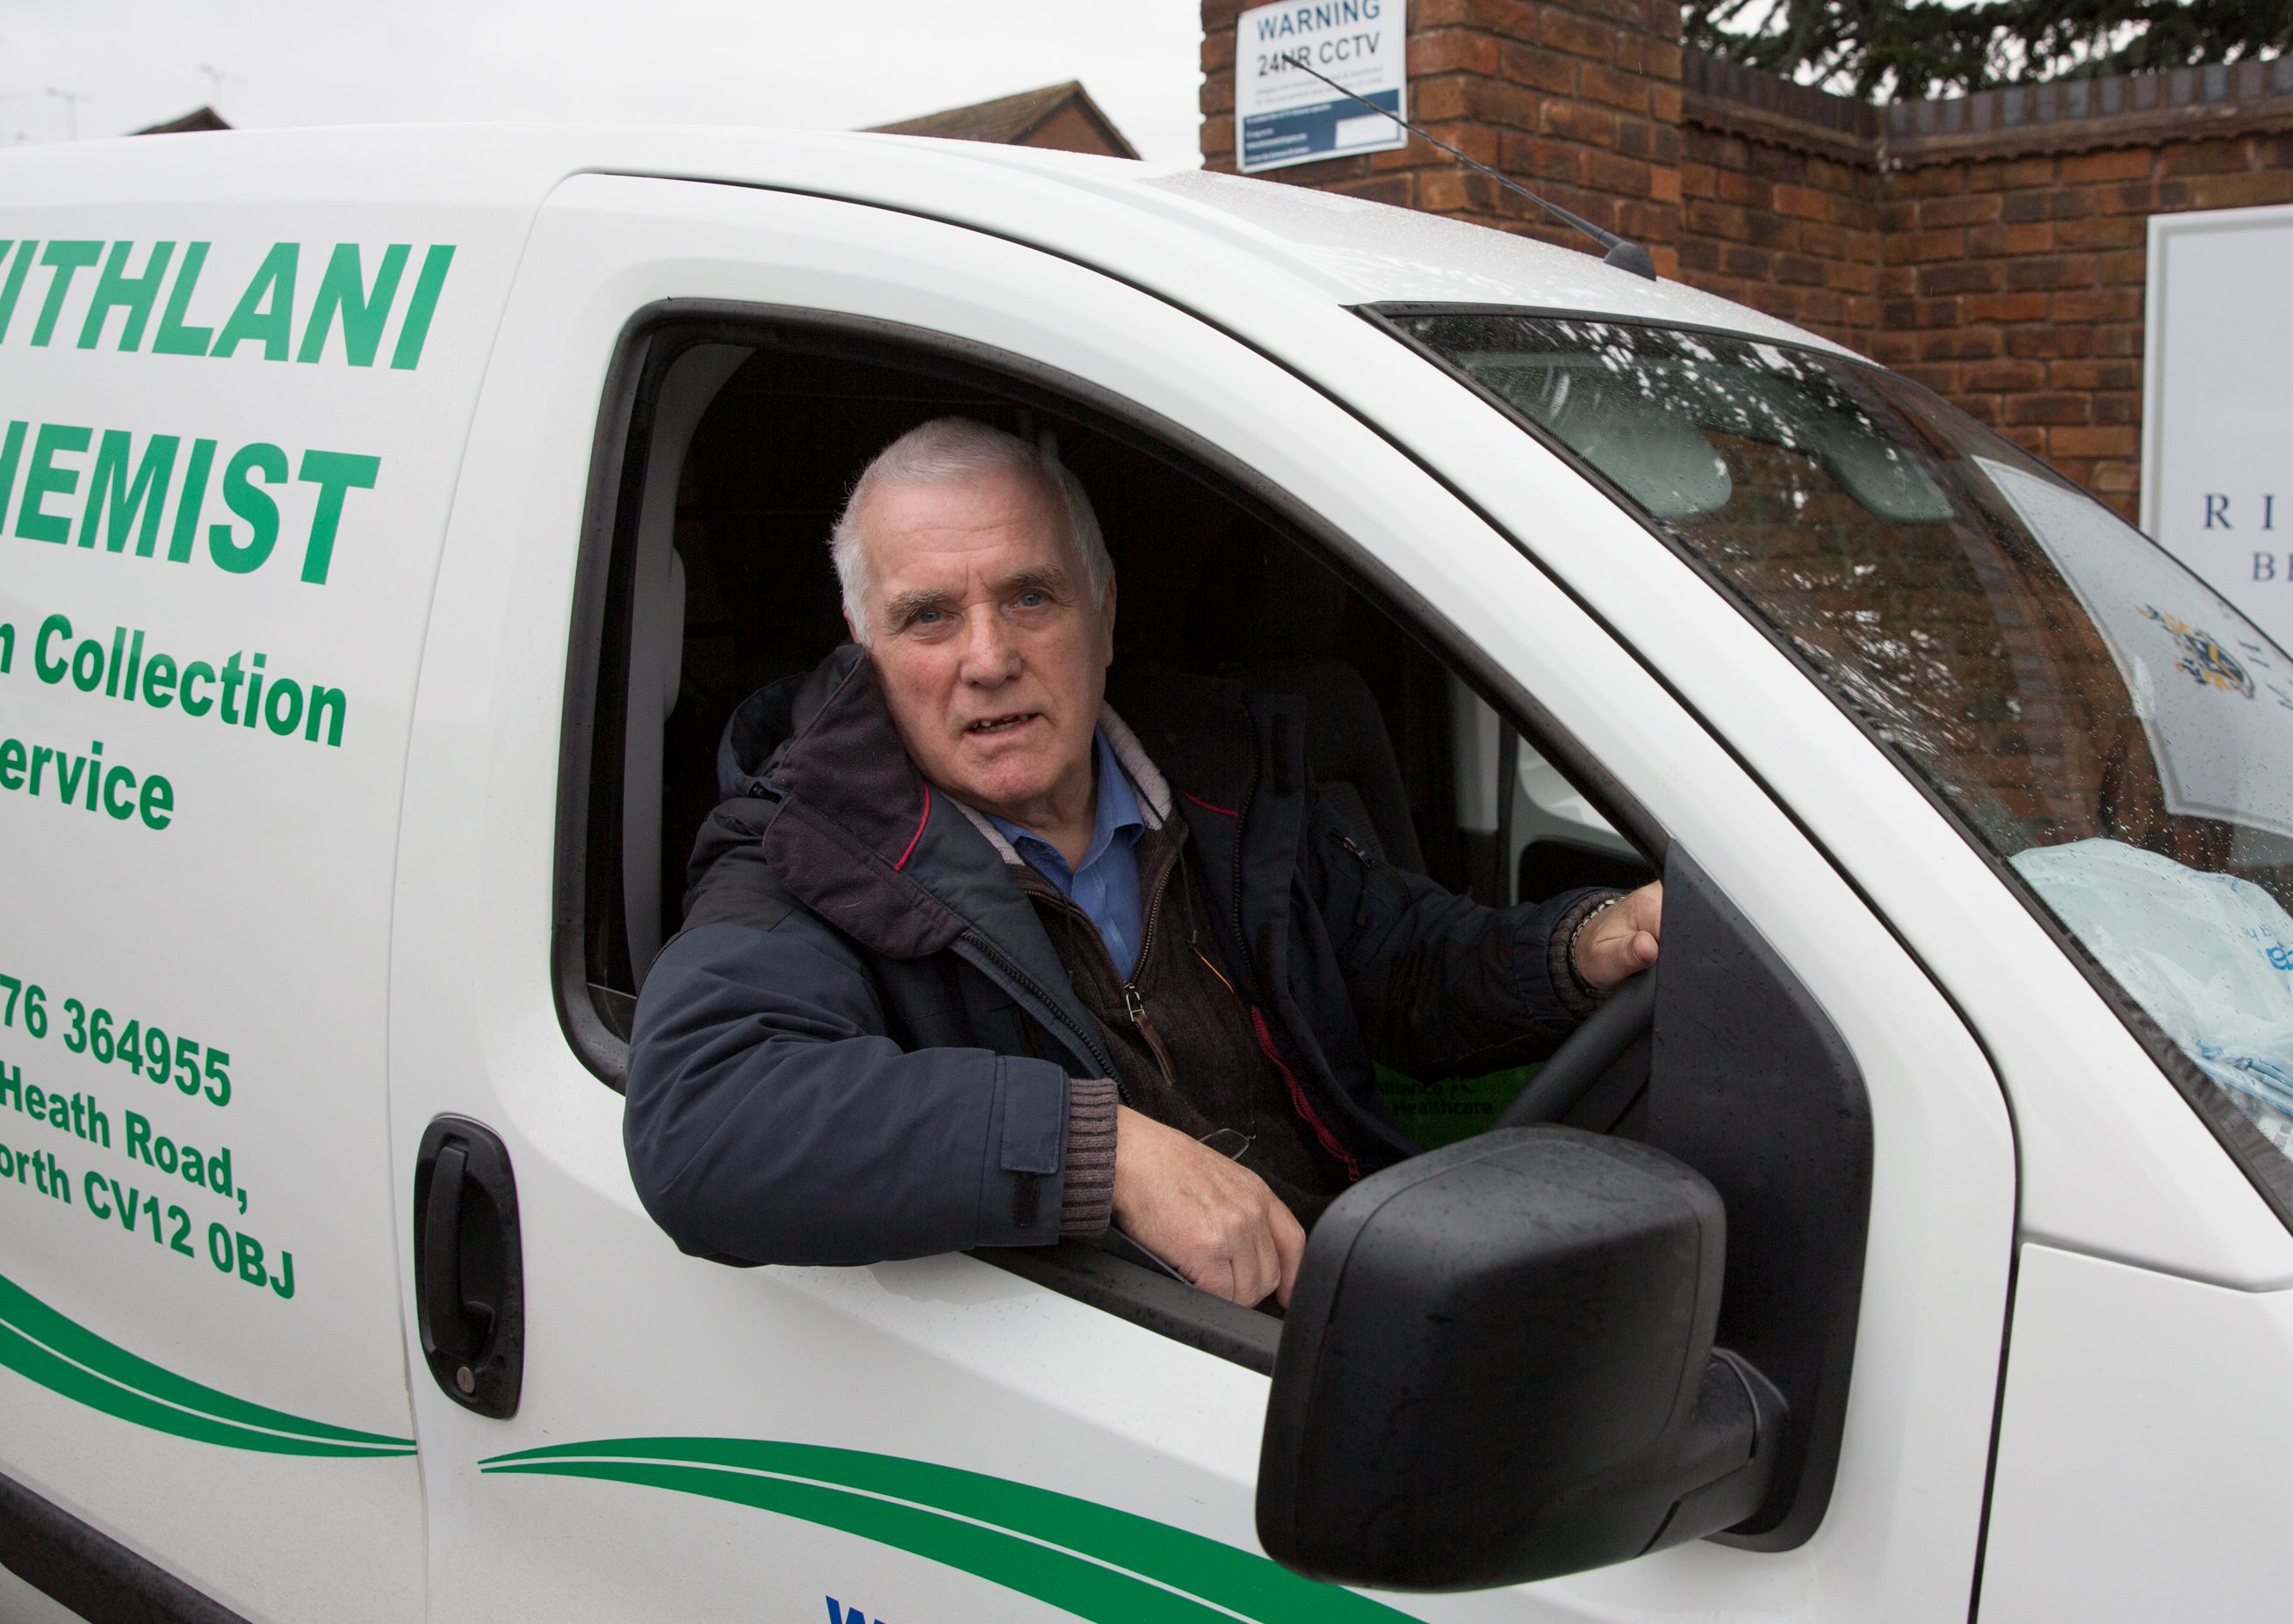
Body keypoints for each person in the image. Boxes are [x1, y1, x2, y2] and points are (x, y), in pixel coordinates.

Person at [624, 418, 1662, 1306]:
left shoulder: (1220, 776)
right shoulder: (806, 847)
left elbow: (1404, 962)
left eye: (1029, 597)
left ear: (1104, 608)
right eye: (928, 615)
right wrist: (1100, 1151)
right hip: (1146, 1366)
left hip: (1359, 1285)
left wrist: (1582, 944)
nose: (988, 659)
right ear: (863, 640)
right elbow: (703, 1117)